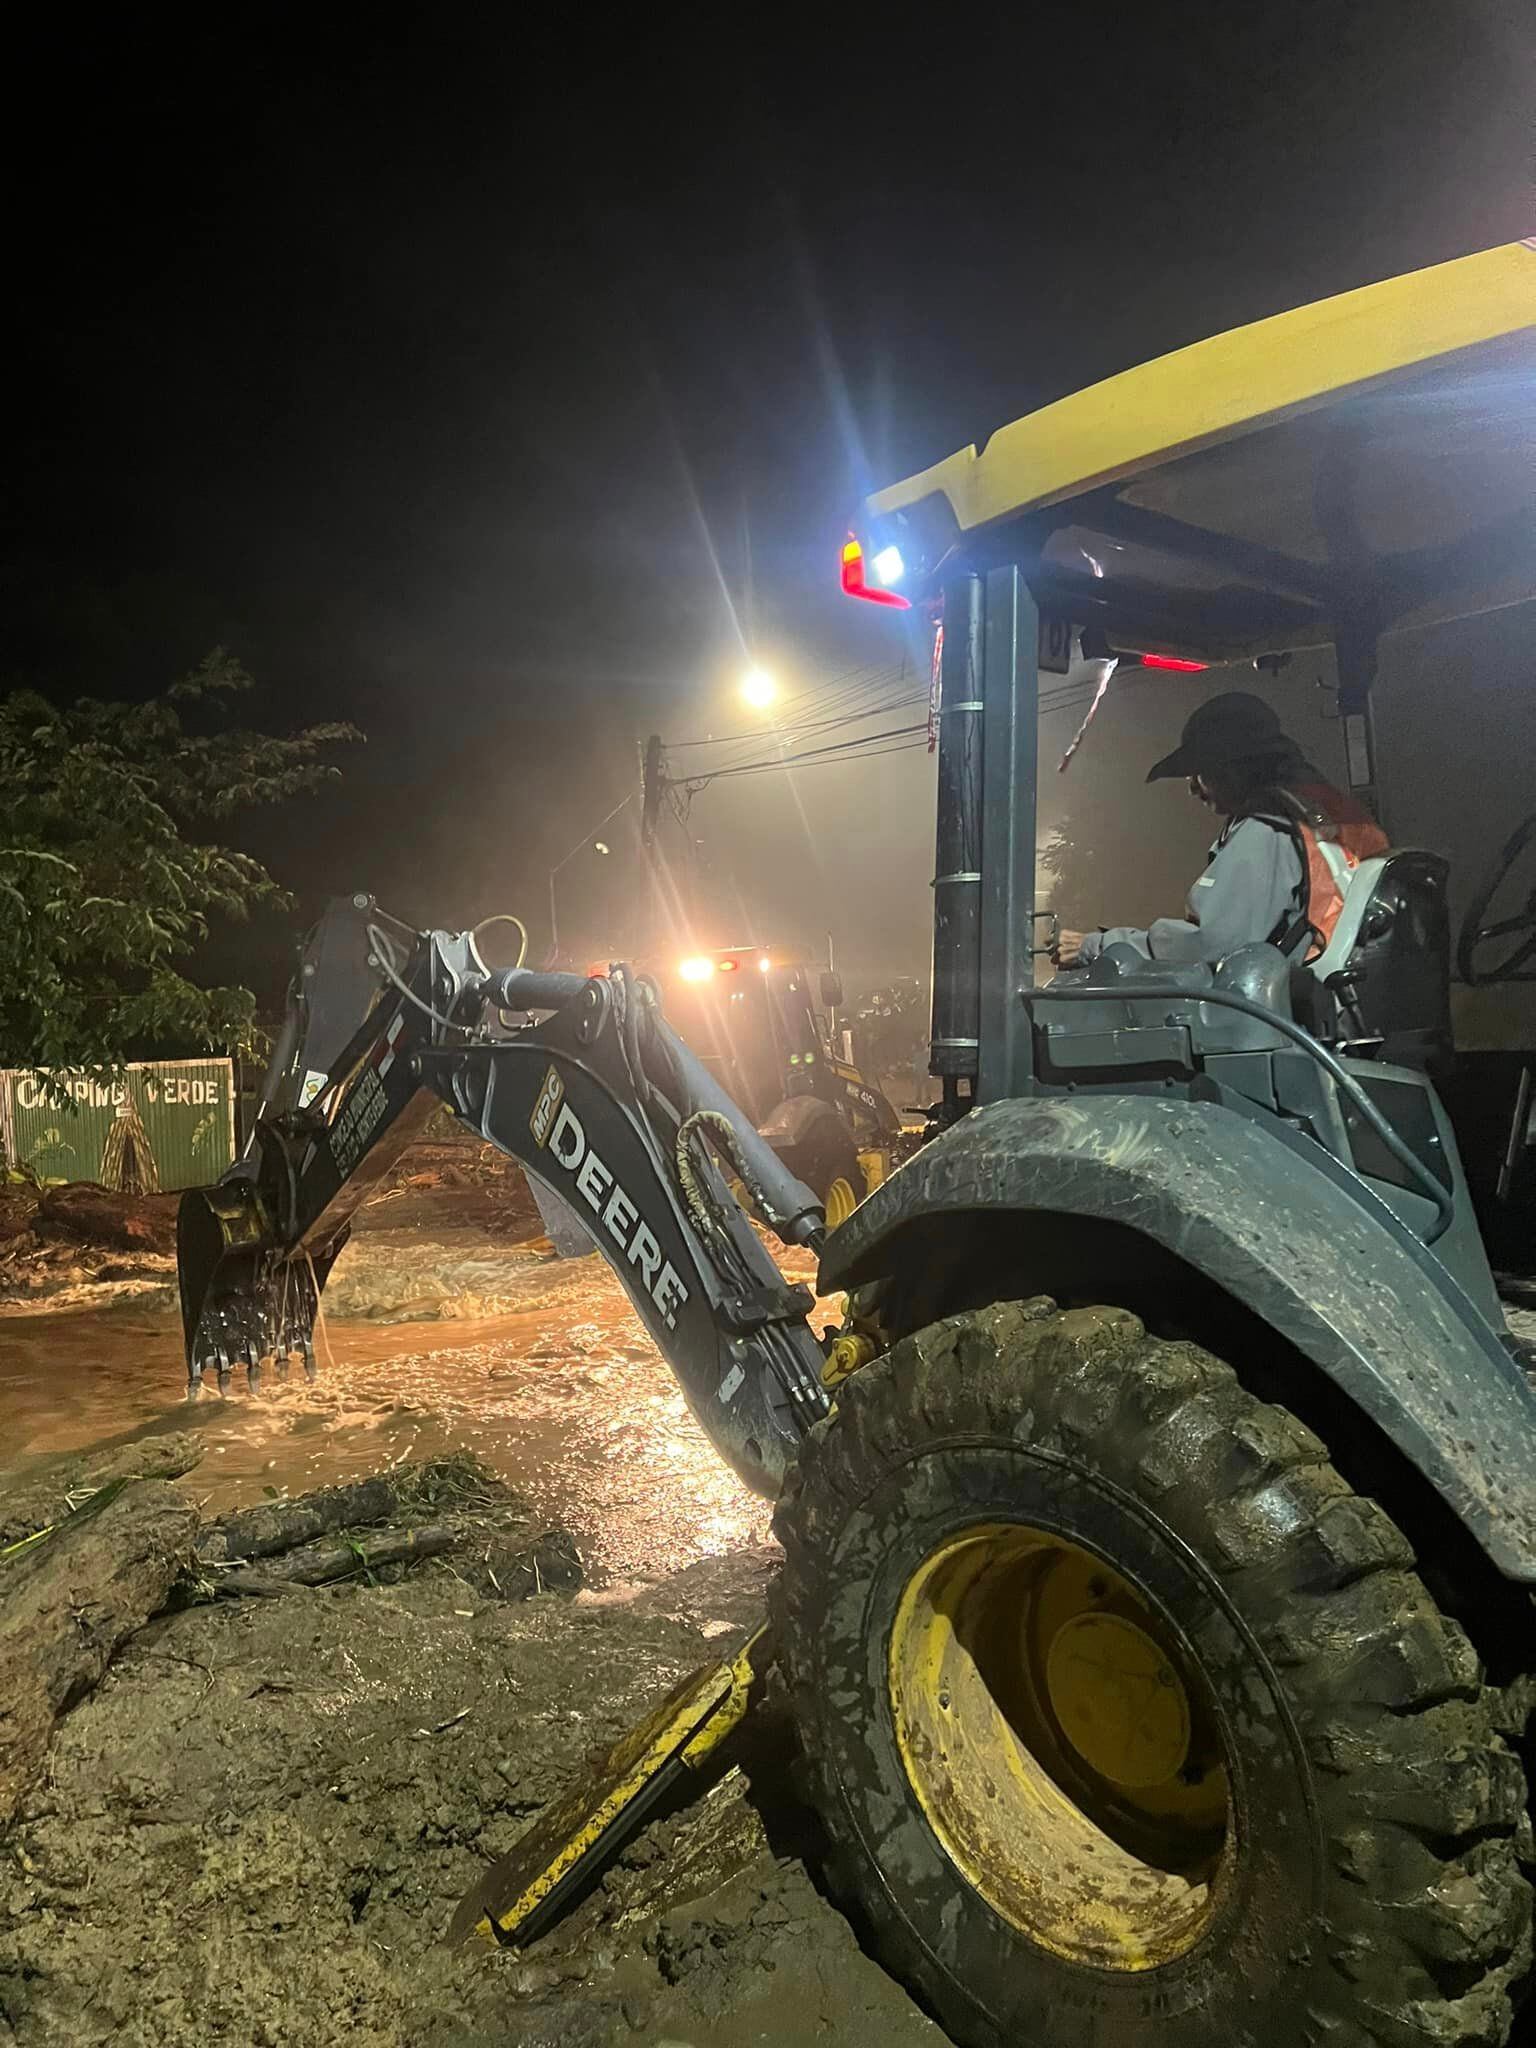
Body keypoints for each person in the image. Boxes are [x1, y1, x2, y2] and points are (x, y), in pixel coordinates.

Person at [1054, 691, 1388, 970]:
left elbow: (1211, 946)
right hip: (1349, 1002)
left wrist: (1096, 945)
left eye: (1200, 772)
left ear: (1233, 769)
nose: (1193, 788)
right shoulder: (1333, 812)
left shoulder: (1269, 828)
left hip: (1302, 1021)